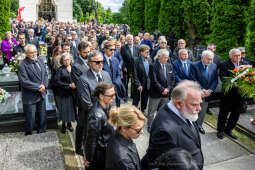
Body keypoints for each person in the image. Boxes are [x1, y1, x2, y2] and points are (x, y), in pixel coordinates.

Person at [142, 80, 204, 170]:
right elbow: (160, 165)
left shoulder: (184, 110)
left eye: (200, 103)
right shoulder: (165, 131)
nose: (199, 108)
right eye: (194, 104)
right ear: (178, 103)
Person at [75, 50, 112, 155]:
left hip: (105, 113)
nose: (100, 64)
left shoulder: (106, 74)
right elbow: (86, 103)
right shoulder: (83, 79)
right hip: (89, 116)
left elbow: (112, 94)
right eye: (97, 62)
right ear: (89, 63)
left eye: (102, 61)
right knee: (87, 138)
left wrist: (111, 110)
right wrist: (100, 114)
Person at [83, 83, 116, 170]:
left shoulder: (107, 106)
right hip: (99, 156)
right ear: (101, 96)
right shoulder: (96, 115)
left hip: (106, 151)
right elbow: (91, 140)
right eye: (111, 95)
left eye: (114, 94)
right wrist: (88, 158)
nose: (114, 98)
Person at [18, 44, 48, 135]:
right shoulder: (22, 65)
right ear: (26, 54)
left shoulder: (40, 60)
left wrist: (44, 86)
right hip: (30, 96)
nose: (34, 54)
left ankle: (42, 131)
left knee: (42, 115)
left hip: (41, 94)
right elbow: (24, 81)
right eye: (31, 53)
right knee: (30, 118)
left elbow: (45, 74)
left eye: (35, 51)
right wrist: (39, 87)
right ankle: (29, 133)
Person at [105, 104, 147, 170]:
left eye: (142, 128)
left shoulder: (119, 134)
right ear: (124, 128)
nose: (142, 132)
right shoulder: (124, 160)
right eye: (138, 130)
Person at [217, 48, 243, 140]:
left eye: (239, 55)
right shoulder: (224, 64)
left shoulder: (244, 65)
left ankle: (229, 130)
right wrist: (237, 83)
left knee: (236, 114)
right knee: (223, 113)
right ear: (230, 56)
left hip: (240, 95)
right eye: (235, 55)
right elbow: (224, 79)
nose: (238, 57)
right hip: (228, 94)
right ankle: (220, 130)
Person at [190, 50, 218, 134]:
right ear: (202, 57)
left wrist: (210, 90)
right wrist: (202, 89)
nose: (210, 61)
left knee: (203, 110)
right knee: (193, 110)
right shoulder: (194, 65)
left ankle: (199, 125)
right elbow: (193, 79)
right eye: (208, 59)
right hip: (197, 92)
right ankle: (190, 125)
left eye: (211, 59)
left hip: (208, 93)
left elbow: (215, 79)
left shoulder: (214, 66)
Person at [147, 49, 175, 131]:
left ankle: (160, 125)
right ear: (159, 57)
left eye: (167, 57)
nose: (166, 59)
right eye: (164, 57)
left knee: (163, 111)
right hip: (155, 93)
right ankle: (150, 126)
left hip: (166, 94)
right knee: (152, 111)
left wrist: (168, 89)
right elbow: (154, 81)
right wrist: (162, 89)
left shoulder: (169, 65)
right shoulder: (153, 65)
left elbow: (172, 79)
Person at [55, 53, 76, 133]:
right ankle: (64, 124)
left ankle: (69, 124)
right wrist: (68, 85)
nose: (67, 61)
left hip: (72, 93)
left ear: (70, 60)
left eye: (68, 59)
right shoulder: (60, 69)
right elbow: (57, 81)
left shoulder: (74, 68)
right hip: (63, 93)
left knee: (71, 109)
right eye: (65, 60)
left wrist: (75, 84)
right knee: (63, 109)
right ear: (62, 61)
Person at [103, 40, 123, 106]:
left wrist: (116, 83)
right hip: (106, 90)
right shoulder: (100, 61)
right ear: (105, 49)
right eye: (110, 50)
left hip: (116, 88)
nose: (113, 51)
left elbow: (119, 74)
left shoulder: (115, 60)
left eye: (114, 49)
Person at [133, 45, 152, 113]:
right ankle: (133, 113)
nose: (148, 53)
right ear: (141, 52)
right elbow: (135, 74)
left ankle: (142, 110)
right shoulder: (136, 60)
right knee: (136, 100)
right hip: (139, 84)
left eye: (148, 52)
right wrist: (138, 84)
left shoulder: (150, 59)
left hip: (147, 84)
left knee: (145, 100)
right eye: (146, 52)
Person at [121, 34, 139, 99]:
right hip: (126, 68)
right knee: (125, 82)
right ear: (126, 40)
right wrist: (123, 67)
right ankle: (125, 96)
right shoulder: (123, 47)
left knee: (133, 82)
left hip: (134, 68)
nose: (130, 40)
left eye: (131, 39)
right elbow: (121, 58)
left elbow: (138, 57)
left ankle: (132, 95)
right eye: (128, 39)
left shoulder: (137, 47)